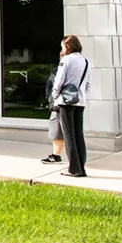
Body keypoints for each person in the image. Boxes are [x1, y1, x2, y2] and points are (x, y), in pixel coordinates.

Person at [49, 35, 93, 177]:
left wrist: (55, 96)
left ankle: (74, 169)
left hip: (65, 102)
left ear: (67, 46)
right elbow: (88, 85)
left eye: (63, 46)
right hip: (80, 102)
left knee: (69, 136)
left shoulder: (66, 60)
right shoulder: (86, 61)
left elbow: (59, 80)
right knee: (78, 135)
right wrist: (80, 95)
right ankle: (81, 167)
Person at [40, 51, 65, 164]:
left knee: (67, 132)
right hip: (56, 105)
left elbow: (57, 86)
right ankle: (56, 155)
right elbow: (49, 84)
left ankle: (76, 160)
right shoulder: (56, 70)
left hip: (64, 104)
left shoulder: (68, 70)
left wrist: (54, 97)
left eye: (63, 55)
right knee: (56, 131)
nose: (61, 58)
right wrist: (50, 99)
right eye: (60, 56)